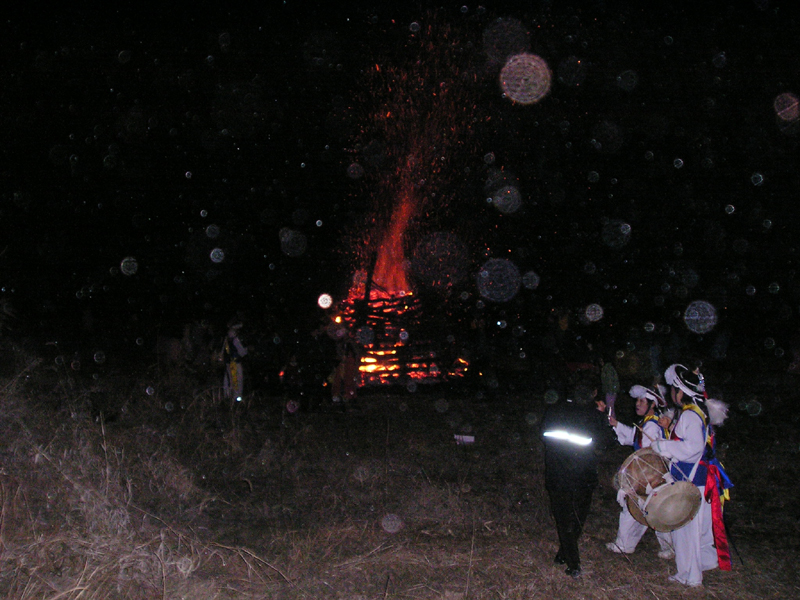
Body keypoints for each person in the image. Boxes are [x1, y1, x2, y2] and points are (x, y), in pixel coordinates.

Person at [651, 363, 732, 587]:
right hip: (701, 478)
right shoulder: (696, 412)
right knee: (698, 528)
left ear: (681, 392)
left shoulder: (690, 415)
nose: (672, 394)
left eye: (674, 390)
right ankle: (704, 561)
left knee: (685, 529)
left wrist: (663, 446)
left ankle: (689, 575)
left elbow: (692, 448)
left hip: (692, 479)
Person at [542, 383, 615, 578]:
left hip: (557, 475)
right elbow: (607, 442)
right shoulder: (592, 415)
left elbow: (545, 437)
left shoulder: (553, 411)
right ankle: (573, 563)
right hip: (583, 477)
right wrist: (602, 416)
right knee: (576, 518)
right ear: (593, 394)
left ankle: (564, 554)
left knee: (563, 519)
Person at [601, 384, 674, 559]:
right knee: (645, 509)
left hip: (651, 475)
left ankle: (627, 544)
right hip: (649, 474)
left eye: (642, 401)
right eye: (637, 401)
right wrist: (616, 424)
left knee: (645, 508)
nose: (638, 404)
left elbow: (649, 452)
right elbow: (634, 437)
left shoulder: (652, 426)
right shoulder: (649, 422)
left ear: (652, 404)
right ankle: (627, 544)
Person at [222, 322, 248, 402]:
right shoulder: (235, 339)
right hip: (235, 363)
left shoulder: (226, 339)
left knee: (228, 380)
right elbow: (242, 352)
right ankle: (236, 398)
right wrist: (246, 349)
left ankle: (228, 397)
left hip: (228, 363)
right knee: (237, 380)